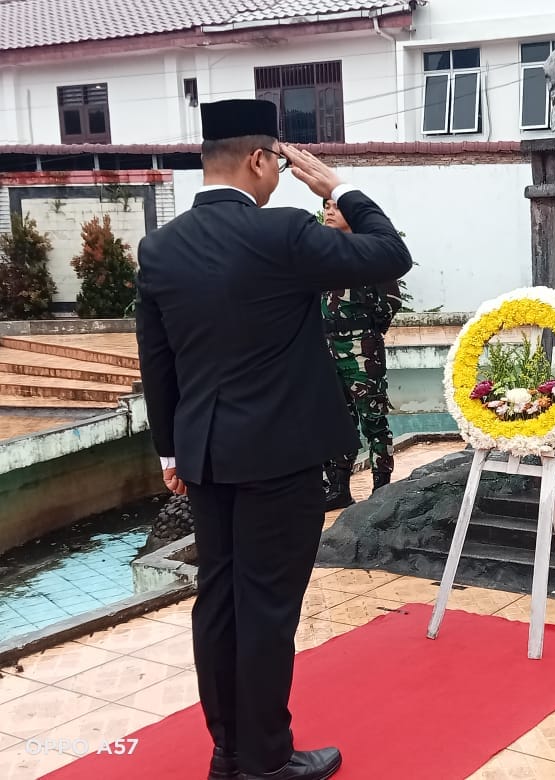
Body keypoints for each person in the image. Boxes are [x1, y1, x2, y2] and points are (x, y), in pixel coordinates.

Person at [135, 99, 411, 780]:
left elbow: (157, 359)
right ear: (260, 159)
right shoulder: (282, 234)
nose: (280, 179)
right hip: (278, 456)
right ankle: (264, 758)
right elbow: (391, 254)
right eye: (278, 165)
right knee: (266, 608)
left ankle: (229, 751)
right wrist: (336, 186)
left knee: (220, 601)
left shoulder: (159, 247)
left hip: (203, 454)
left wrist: (170, 451)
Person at [320, 198, 402, 510]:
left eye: (335, 207)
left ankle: (381, 489)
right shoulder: (323, 251)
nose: (328, 211)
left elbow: (391, 299)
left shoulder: (370, 251)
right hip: (326, 347)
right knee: (336, 420)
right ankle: (339, 487)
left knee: (373, 418)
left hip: (361, 349)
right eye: (325, 206)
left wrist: (369, 329)